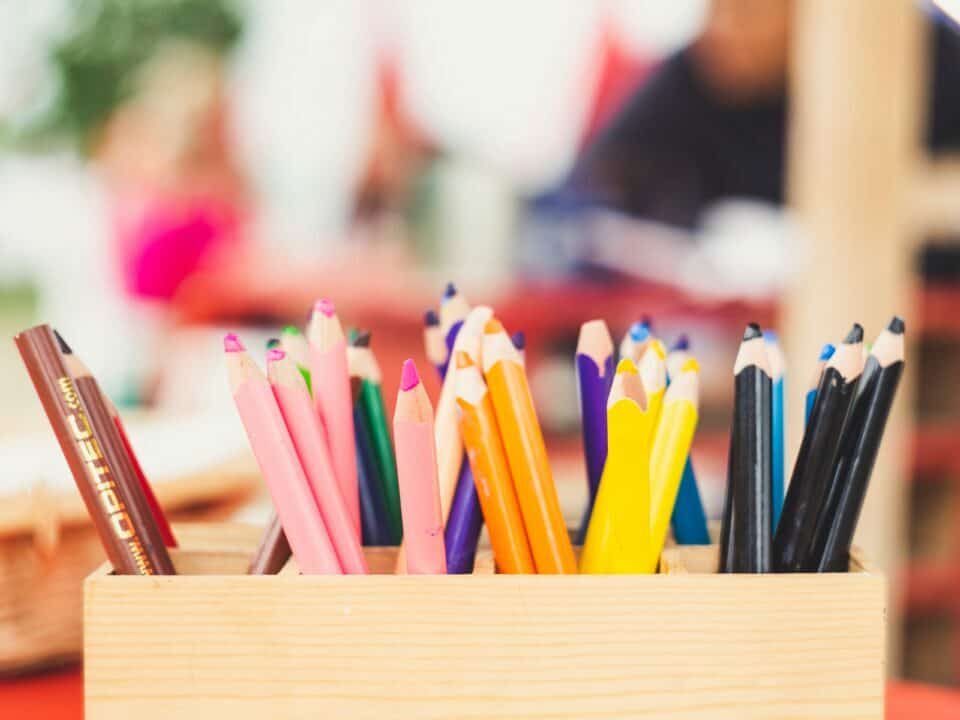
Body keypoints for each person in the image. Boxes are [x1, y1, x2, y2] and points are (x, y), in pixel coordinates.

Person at [569, 0, 960, 230]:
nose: (722, 29)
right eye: (715, 8)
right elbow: (583, 190)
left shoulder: (931, 64)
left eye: (747, 9)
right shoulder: (695, 73)